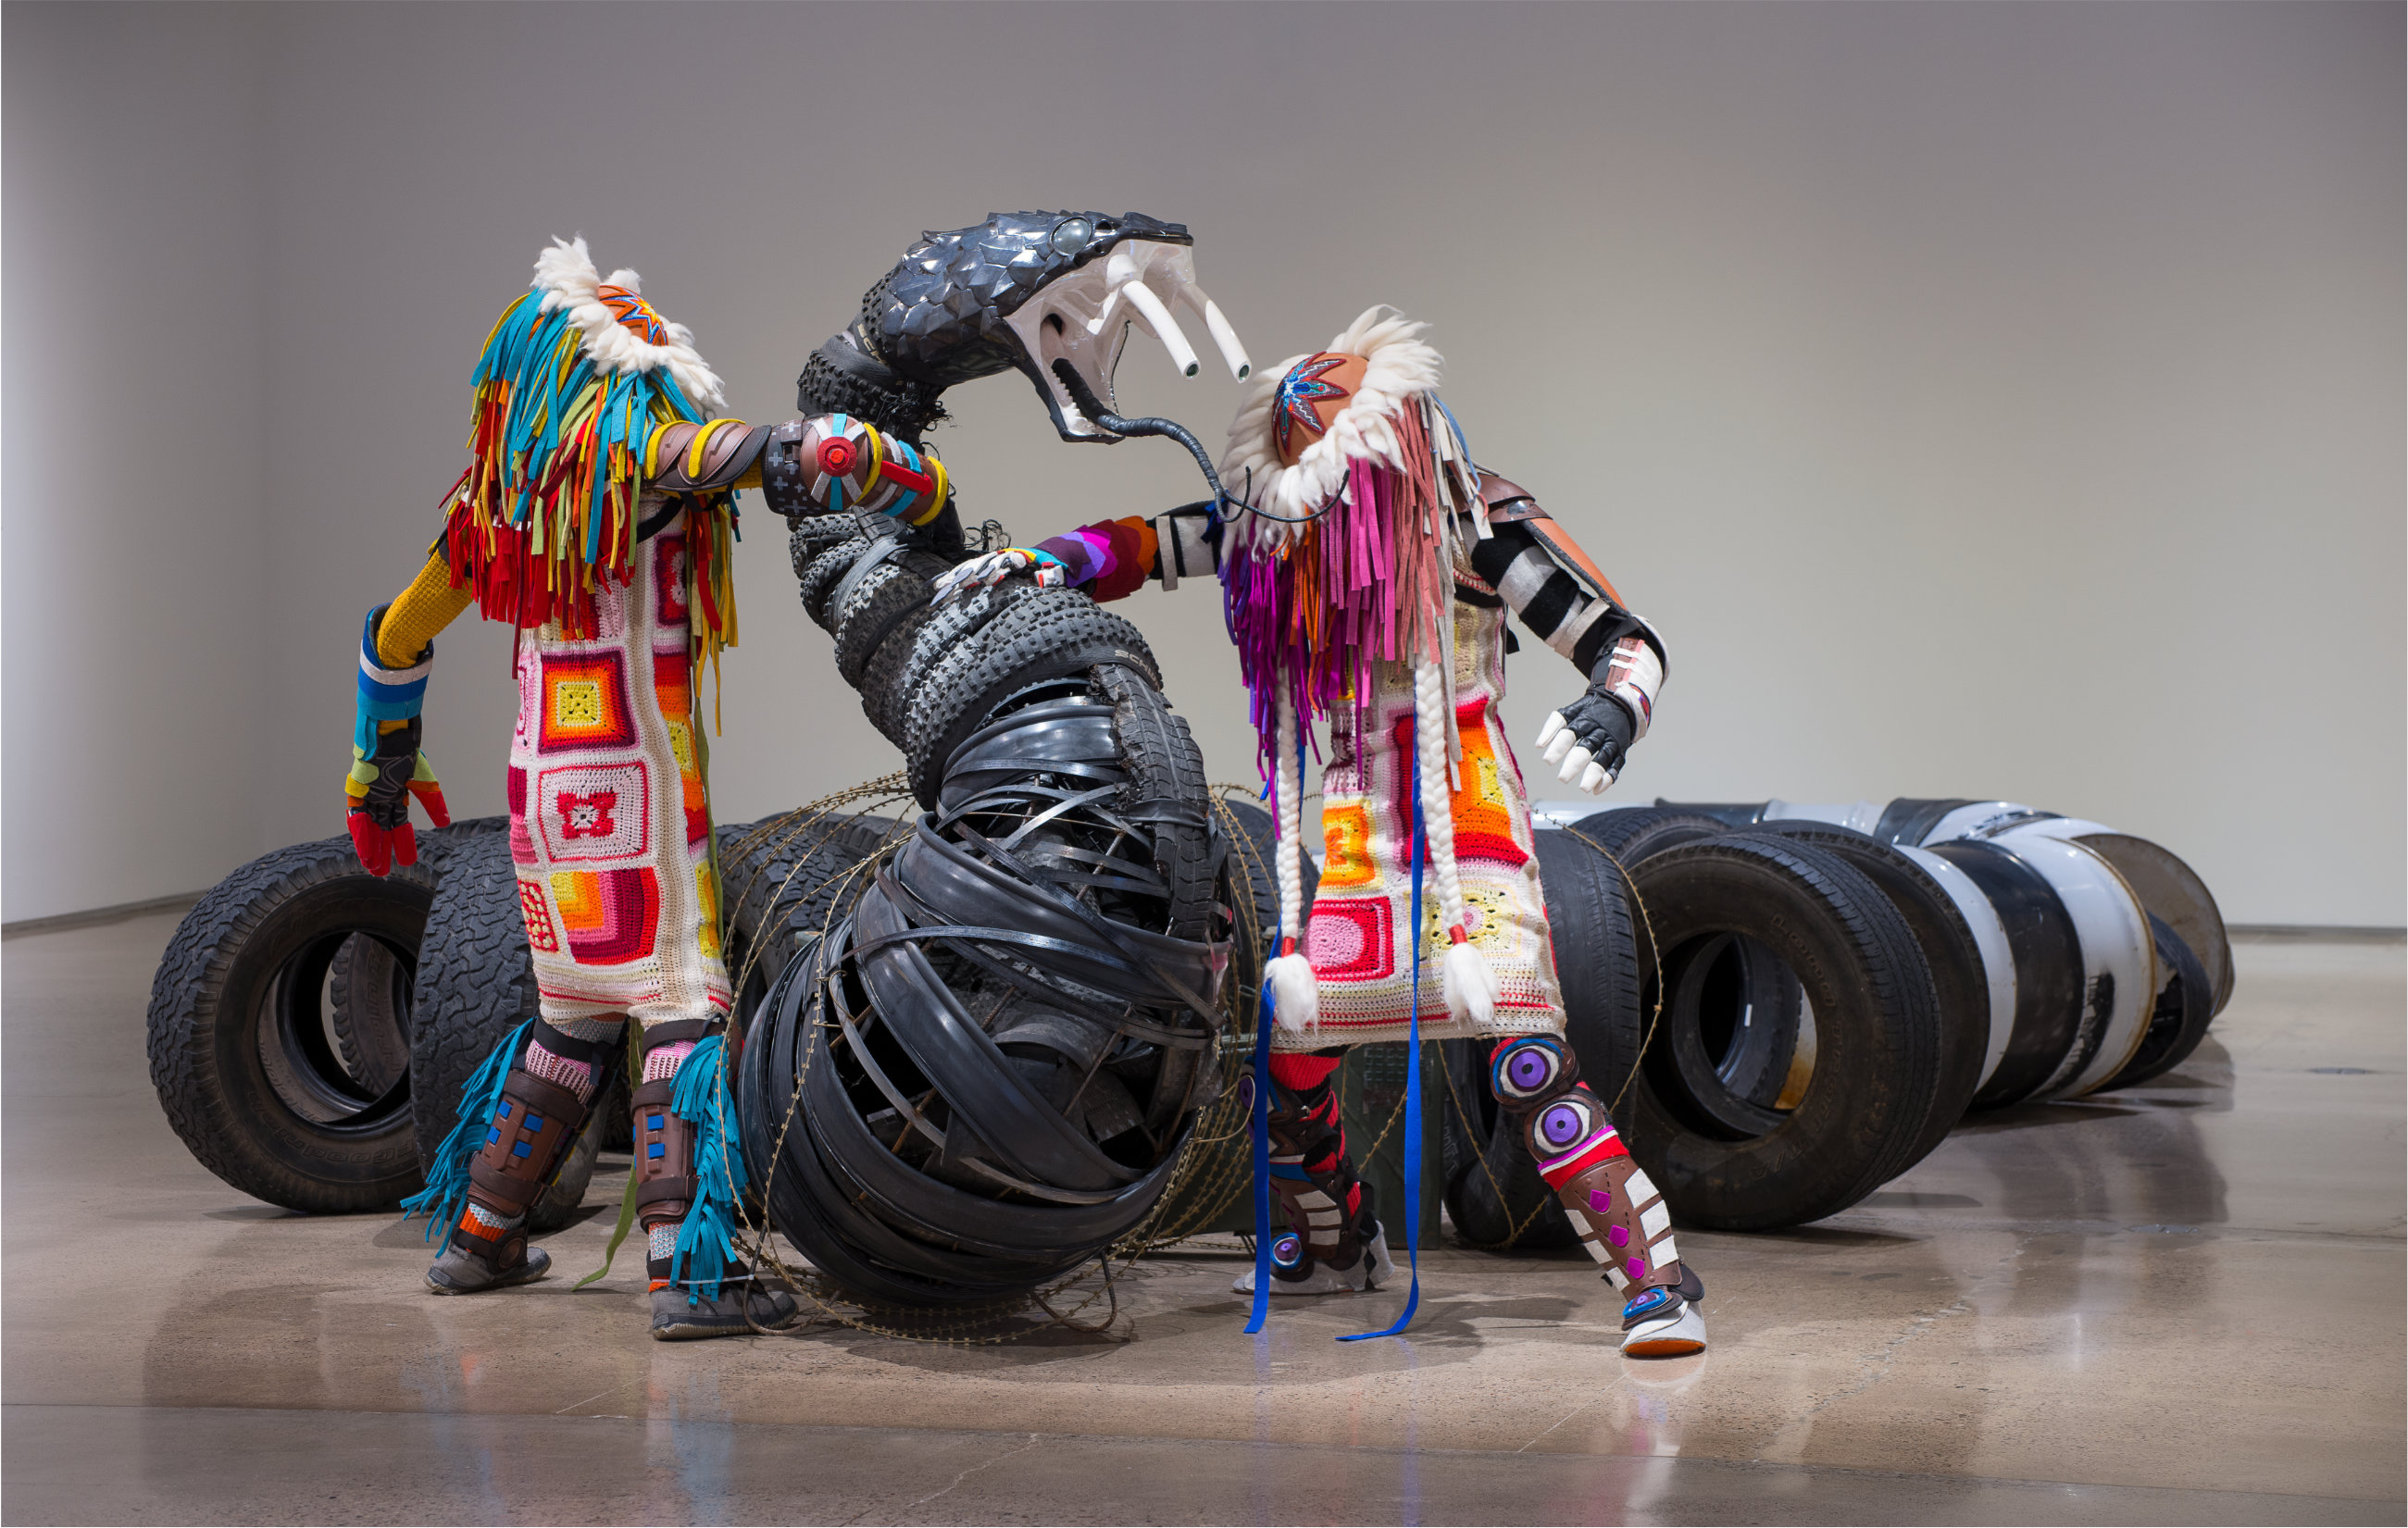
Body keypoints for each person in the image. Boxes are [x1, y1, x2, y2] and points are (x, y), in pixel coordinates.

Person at [933, 307, 1703, 1355]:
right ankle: (1338, 1240)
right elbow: (1162, 542)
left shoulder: (1475, 517)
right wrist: (1046, 561)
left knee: (1527, 1062)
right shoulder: (1281, 532)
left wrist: (1615, 707)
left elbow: (1623, 636)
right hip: (1353, 848)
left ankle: (1654, 1282)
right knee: (1293, 1056)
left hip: (1471, 832)